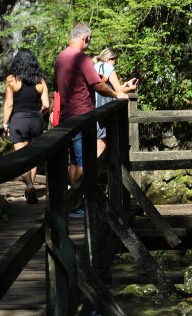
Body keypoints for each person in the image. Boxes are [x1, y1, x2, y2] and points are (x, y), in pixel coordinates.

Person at [53, 22, 133, 217]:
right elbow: (97, 85)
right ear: (85, 38)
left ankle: (73, 200)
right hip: (82, 116)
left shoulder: (60, 58)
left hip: (66, 116)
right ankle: (76, 205)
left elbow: (59, 85)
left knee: (73, 161)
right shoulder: (81, 58)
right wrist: (116, 94)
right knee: (83, 162)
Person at [2, 48, 50, 204]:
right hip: (36, 119)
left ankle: (29, 185)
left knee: (21, 157)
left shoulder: (11, 80)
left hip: (19, 120)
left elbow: (9, 104)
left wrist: (4, 123)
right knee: (33, 157)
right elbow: (46, 105)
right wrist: (37, 114)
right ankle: (31, 188)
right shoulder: (41, 80)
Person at [93, 47, 139, 157]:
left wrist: (125, 85)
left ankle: (96, 171)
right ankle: (93, 172)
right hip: (105, 108)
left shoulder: (95, 66)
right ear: (110, 58)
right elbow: (118, 91)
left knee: (97, 142)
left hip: (94, 107)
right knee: (102, 145)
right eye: (115, 60)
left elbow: (109, 89)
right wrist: (131, 88)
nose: (115, 63)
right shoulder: (108, 67)